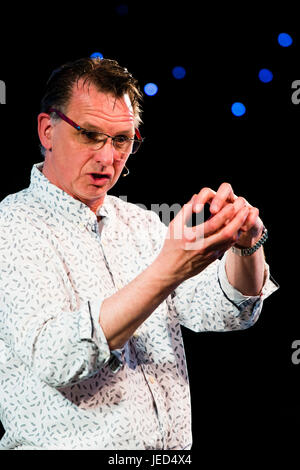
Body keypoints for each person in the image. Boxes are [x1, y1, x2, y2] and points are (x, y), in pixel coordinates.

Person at [0, 57, 278, 450]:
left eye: (121, 140)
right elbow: (56, 357)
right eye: (91, 134)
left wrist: (247, 243)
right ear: (48, 130)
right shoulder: (11, 225)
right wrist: (167, 270)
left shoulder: (142, 224)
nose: (108, 157)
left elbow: (225, 312)